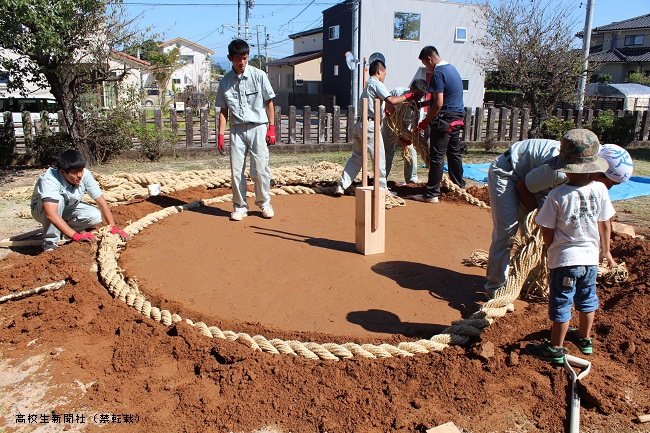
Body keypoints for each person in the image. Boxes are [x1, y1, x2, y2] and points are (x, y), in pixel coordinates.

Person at [484, 136, 634, 299]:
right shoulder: (562, 172)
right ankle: (496, 289)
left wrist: (605, 249)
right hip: (508, 172)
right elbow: (523, 187)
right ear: (597, 170)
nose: (608, 189)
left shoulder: (582, 177)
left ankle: (530, 280)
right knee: (507, 232)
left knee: (544, 231)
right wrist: (541, 219)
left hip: (534, 180)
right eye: (610, 184)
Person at [525, 129, 616, 362]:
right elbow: (605, 223)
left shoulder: (557, 195)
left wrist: (549, 248)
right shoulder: (600, 189)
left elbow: (546, 228)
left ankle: (555, 347)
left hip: (565, 260)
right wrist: (606, 251)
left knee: (562, 301)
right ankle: (584, 339)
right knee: (587, 299)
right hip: (590, 260)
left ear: (564, 166)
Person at [335, 59, 419, 195]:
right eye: (385, 73)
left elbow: (390, 107)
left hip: (359, 124)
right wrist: (409, 95)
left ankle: (341, 185)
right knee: (379, 159)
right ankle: (382, 189)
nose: (385, 76)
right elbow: (391, 100)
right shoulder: (376, 83)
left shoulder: (368, 84)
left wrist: (399, 126)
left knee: (356, 158)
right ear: (379, 71)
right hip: (370, 125)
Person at [215, 38, 276, 221]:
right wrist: (220, 135)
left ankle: (264, 202)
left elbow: (269, 102)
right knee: (236, 171)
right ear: (230, 58)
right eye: (237, 59)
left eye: (245, 58)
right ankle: (240, 206)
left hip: (258, 127)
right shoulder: (225, 82)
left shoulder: (259, 75)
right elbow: (223, 111)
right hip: (237, 130)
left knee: (260, 169)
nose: (241, 62)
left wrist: (271, 128)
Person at [30, 149, 129, 252]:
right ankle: (50, 243)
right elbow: (51, 214)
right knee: (59, 200)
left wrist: (113, 228)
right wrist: (76, 236)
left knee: (95, 216)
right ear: (62, 172)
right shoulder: (49, 180)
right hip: (42, 210)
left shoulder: (85, 174)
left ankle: (63, 230)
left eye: (81, 170)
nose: (79, 175)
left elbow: (101, 203)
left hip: (68, 207)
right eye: (74, 172)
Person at [415, 46, 466, 203]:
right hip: (456, 117)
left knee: (437, 156)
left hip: (444, 119)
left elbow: (438, 104)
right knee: (453, 152)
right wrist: (423, 104)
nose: (427, 67)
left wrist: (425, 122)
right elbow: (445, 97)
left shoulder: (438, 73)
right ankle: (459, 186)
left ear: (429, 59)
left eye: (425, 64)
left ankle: (431, 193)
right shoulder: (452, 69)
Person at [382, 79, 428, 185]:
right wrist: (398, 126)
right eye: (417, 94)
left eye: (421, 96)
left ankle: (411, 178)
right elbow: (388, 105)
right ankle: (382, 178)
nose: (418, 98)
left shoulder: (418, 107)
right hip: (390, 123)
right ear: (411, 89)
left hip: (407, 128)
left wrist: (408, 136)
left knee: (411, 151)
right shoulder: (397, 92)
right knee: (387, 151)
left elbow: (415, 126)